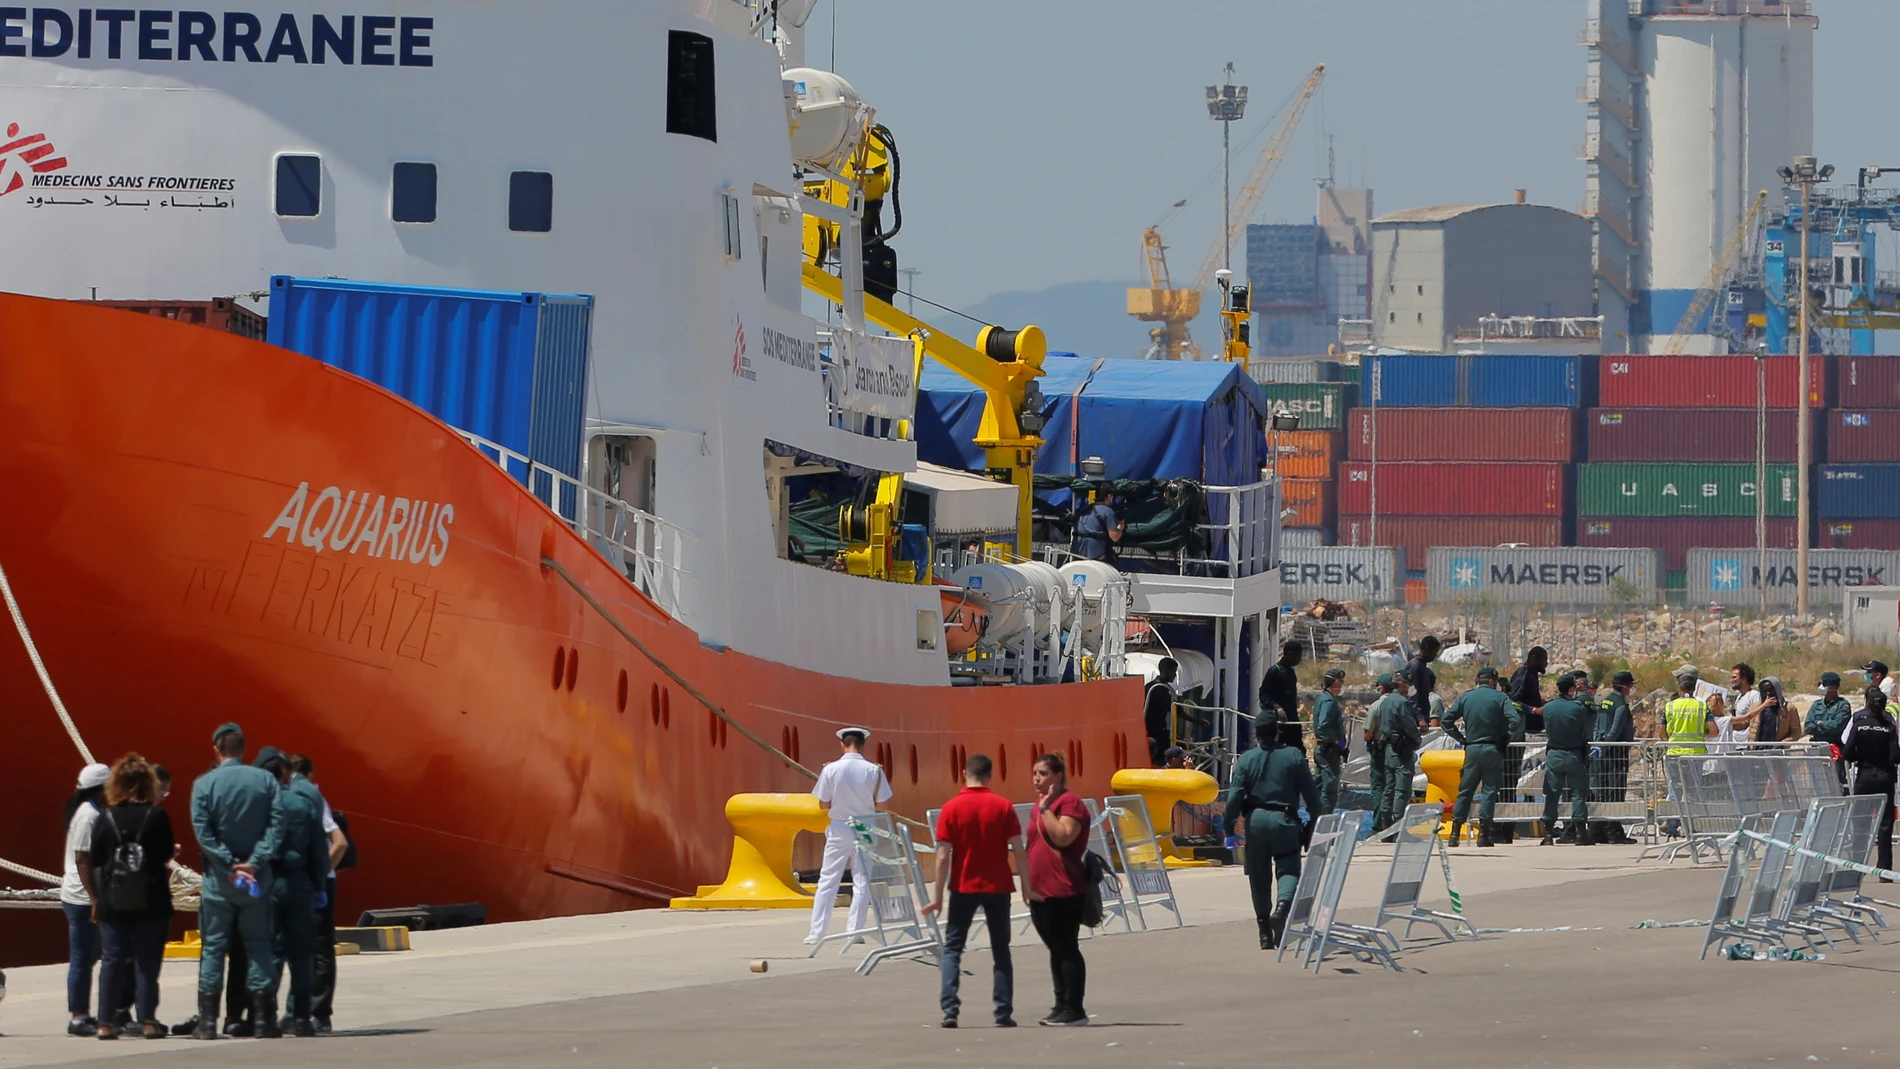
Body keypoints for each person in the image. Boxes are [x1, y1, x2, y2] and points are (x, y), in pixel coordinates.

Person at [189, 722, 286, 1041]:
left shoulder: (203, 785)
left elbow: (204, 834)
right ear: (244, 750)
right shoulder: (265, 781)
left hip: (219, 881)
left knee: (214, 949)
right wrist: (253, 863)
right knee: (259, 947)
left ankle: (206, 1024)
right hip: (256, 881)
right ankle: (263, 1021)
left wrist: (230, 864)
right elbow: (276, 827)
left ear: (216, 749)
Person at [924, 754, 1025, 1029]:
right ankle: (1003, 1012)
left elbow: (942, 856)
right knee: (1001, 950)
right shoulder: (1003, 807)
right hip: (999, 886)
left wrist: (937, 898)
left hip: (964, 886)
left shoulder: (951, 808)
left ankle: (950, 1010)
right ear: (990, 775)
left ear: (963, 773)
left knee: (953, 948)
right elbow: (1019, 850)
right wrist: (1027, 889)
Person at [84, 753, 175, 1040]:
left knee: (111, 960)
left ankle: (105, 1023)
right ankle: (148, 1020)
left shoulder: (107, 816)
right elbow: (164, 854)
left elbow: (96, 857)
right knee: (147, 963)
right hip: (151, 898)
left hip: (114, 898)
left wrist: (96, 899)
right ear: (148, 783)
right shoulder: (157, 815)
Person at [1222, 709, 1321, 949]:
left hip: (1255, 821)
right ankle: (1282, 909)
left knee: (1258, 875)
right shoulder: (1294, 756)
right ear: (1278, 731)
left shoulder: (1246, 759)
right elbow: (1313, 799)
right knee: (1288, 869)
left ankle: (1264, 931)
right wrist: (1312, 827)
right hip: (1284, 820)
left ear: (1257, 734)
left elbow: (1235, 797)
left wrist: (1228, 828)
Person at [254, 747, 329, 1037]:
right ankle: (300, 1017)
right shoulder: (302, 805)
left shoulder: (258, 807)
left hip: (268, 883)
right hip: (299, 884)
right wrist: (318, 885)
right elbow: (319, 852)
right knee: (302, 954)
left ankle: (264, 1019)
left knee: (268, 952)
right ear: (285, 773)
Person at [806, 727, 893, 946]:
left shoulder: (830, 769)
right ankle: (854, 931)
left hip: (840, 826)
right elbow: (882, 805)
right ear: (862, 746)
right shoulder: (874, 770)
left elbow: (822, 803)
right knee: (862, 879)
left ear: (842, 744)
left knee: (828, 879)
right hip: (865, 826)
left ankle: (817, 932)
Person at [1025, 752, 1091, 1026]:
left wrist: (1045, 809)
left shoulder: (1069, 803)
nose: (1037, 779)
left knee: (1066, 947)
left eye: (1043, 773)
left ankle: (1074, 1008)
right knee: (1054, 948)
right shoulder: (1040, 804)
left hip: (1064, 889)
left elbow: (1063, 837)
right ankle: (1060, 1003)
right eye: (1035, 773)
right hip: (1040, 889)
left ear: (1058, 775)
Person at [288, 753, 348, 1033]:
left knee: (319, 946)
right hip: (312, 879)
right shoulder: (305, 796)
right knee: (309, 945)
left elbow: (340, 842)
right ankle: (304, 1010)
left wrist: (320, 875)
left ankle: (320, 1012)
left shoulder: (312, 798)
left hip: (318, 881)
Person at [1442, 667, 1521, 848]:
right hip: (1492, 749)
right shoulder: (1500, 698)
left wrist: (1460, 738)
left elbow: (1446, 720)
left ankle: (1454, 833)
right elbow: (1515, 720)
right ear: (1493, 681)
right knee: (1489, 792)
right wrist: (1506, 737)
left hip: (1472, 749)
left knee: (1465, 791)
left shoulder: (1466, 697)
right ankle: (1484, 834)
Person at [60, 762, 110, 1037]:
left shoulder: (91, 812)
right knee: (82, 957)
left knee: (89, 955)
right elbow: (83, 859)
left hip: (83, 896)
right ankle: (78, 1016)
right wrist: (94, 899)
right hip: (80, 899)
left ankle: (83, 1012)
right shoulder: (89, 815)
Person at [1841, 688, 1900, 878]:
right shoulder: (1889, 726)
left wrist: (1862, 757)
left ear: (1867, 703)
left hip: (1864, 776)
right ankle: (1884, 870)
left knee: (1861, 822)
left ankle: (1858, 866)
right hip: (1884, 776)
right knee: (1885, 824)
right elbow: (1896, 756)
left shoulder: (1860, 725)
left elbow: (1847, 753)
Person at [1539, 675, 1593, 847]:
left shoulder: (1548, 707)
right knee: (1578, 794)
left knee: (1552, 795)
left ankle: (1548, 834)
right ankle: (1580, 833)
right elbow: (1587, 732)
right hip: (1574, 754)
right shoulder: (1578, 708)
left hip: (1554, 754)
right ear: (1572, 689)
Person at [1591, 671, 1637, 845]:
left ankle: (1597, 829)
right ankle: (1614, 831)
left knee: (1602, 791)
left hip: (1602, 750)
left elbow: (1597, 725)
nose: (1631, 688)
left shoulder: (1604, 702)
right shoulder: (1620, 705)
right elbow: (1615, 730)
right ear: (1625, 686)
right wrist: (1608, 745)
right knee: (1615, 791)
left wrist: (1598, 744)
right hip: (1616, 752)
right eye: (1631, 685)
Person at [1381, 672, 1422, 833]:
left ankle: (1385, 824)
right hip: (1402, 749)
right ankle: (1397, 826)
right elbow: (1409, 726)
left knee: (1389, 788)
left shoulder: (1386, 701)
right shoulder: (1401, 702)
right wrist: (1417, 738)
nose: (1410, 687)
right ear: (1402, 684)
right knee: (1402, 789)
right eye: (1408, 683)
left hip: (1389, 748)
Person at [1806, 671, 1855, 789]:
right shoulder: (1816, 705)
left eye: (1824, 684)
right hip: (1817, 749)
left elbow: (1837, 726)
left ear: (1834, 687)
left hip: (1835, 750)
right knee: (1818, 782)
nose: (1821, 687)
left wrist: (1818, 723)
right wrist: (1823, 725)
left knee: (1837, 782)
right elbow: (1808, 726)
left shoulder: (1843, 705)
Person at [1259, 639, 1308, 755]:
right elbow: (1264, 694)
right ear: (1290, 654)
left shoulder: (1290, 671)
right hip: (1278, 722)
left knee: (1298, 751)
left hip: (1291, 719)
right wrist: (1277, 708)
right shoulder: (1275, 671)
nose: (1300, 659)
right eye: (1298, 656)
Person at [1311, 668, 1347, 815]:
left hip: (1324, 749)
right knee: (1330, 788)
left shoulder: (1324, 698)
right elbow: (1323, 723)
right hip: (1329, 750)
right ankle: (1323, 822)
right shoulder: (1328, 701)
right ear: (1336, 682)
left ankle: (1314, 820)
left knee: (1319, 785)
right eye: (1341, 682)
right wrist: (1337, 742)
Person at [1363, 673, 1395, 830]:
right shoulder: (1399, 703)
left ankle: (1378, 825)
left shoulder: (1376, 706)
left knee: (1378, 788)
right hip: (1395, 750)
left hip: (1379, 751)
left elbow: (1368, 734)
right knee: (1392, 787)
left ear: (1381, 688)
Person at [1071, 490, 1124, 563]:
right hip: (1096, 556)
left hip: (1077, 554)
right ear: (1109, 496)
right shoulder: (1108, 511)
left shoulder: (1085, 509)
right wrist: (1120, 527)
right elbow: (1114, 537)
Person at [1144, 658, 1179, 767]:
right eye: (1173, 672)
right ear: (1165, 671)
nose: (1175, 675)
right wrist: (1197, 721)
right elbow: (1176, 710)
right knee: (1160, 762)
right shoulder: (1160, 689)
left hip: (1150, 731)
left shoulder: (1149, 686)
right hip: (1157, 733)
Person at [1508, 646, 1549, 734]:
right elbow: (1512, 701)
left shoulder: (1532, 673)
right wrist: (1533, 710)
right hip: (1526, 729)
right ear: (1534, 658)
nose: (1546, 664)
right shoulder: (1523, 674)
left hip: (1533, 728)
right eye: (1544, 660)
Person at [1406, 636, 1441, 730]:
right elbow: (1411, 694)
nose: (1435, 655)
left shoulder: (1422, 666)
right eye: (1434, 652)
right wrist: (1420, 718)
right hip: (1414, 719)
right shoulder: (1415, 666)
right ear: (1427, 650)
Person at [1727, 663, 1762, 742]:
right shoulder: (1739, 697)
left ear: (1743, 679)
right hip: (1735, 742)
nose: (1731, 680)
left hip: (1746, 743)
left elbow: (1755, 719)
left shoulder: (1754, 695)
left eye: (1734, 677)